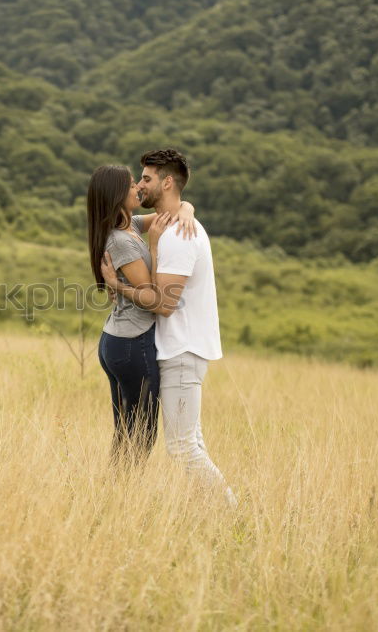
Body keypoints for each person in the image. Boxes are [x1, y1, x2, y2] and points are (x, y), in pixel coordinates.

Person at [101, 149, 236, 506]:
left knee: (182, 447)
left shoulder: (177, 237)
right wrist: (185, 207)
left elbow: (163, 303)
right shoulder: (171, 223)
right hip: (177, 349)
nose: (140, 184)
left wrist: (119, 287)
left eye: (146, 178)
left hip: (181, 351)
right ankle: (219, 515)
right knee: (190, 442)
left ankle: (231, 512)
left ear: (167, 181)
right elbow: (139, 223)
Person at [86, 164, 195, 468]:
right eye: (133, 184)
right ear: (117, 194)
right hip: (133, 345)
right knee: (142, 435)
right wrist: (155, 246)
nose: (138, 189)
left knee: (126, 432)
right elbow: (152, 297)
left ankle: (112, 497)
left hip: (118, 341)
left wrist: (186, 210)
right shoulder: (120, 241)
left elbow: (172, 209)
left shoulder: (129, 225)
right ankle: (122, 499)